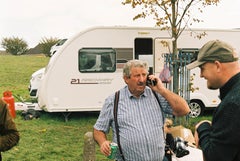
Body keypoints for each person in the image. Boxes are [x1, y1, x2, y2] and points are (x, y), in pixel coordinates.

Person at [93, 59, 190, 161]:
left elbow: (184, 110)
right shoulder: (113, 100)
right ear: (126, 79)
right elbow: (98, 129)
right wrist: (103, 142)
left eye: (144, 75)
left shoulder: (156, 95)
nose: (142, 80)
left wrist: (162, 90)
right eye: (137, 76)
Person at [186, 40, 240, 161]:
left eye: (202, 68)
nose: (201, 75)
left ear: (217, 65)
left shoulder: (232, 104)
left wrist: (202, 127)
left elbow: (215, 156)